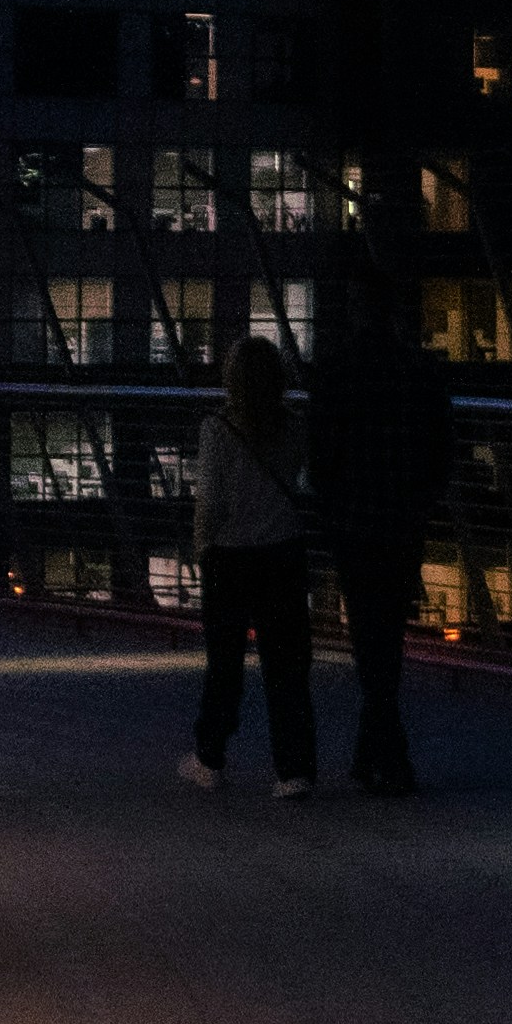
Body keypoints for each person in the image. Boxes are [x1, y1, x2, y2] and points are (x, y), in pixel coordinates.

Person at [304, 293, 457, 794]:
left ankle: (384, 754)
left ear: (353, 312)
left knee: (367, 633)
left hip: (352, 521)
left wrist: (330, 503)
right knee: (387, 633)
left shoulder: (334, 371)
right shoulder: (421, 370)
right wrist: (422, 500)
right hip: (401, 519)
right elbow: (442, 448)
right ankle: (380, 754)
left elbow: (321, 451)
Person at [181, 334, 319, 798]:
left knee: (224, 665)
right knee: (287, 667)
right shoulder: (297, 427)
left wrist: (201, 550)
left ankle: (210, 758)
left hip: (230, 559)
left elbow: (211, 503)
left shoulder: (217, 430)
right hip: (283, 553)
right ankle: (294, 771)